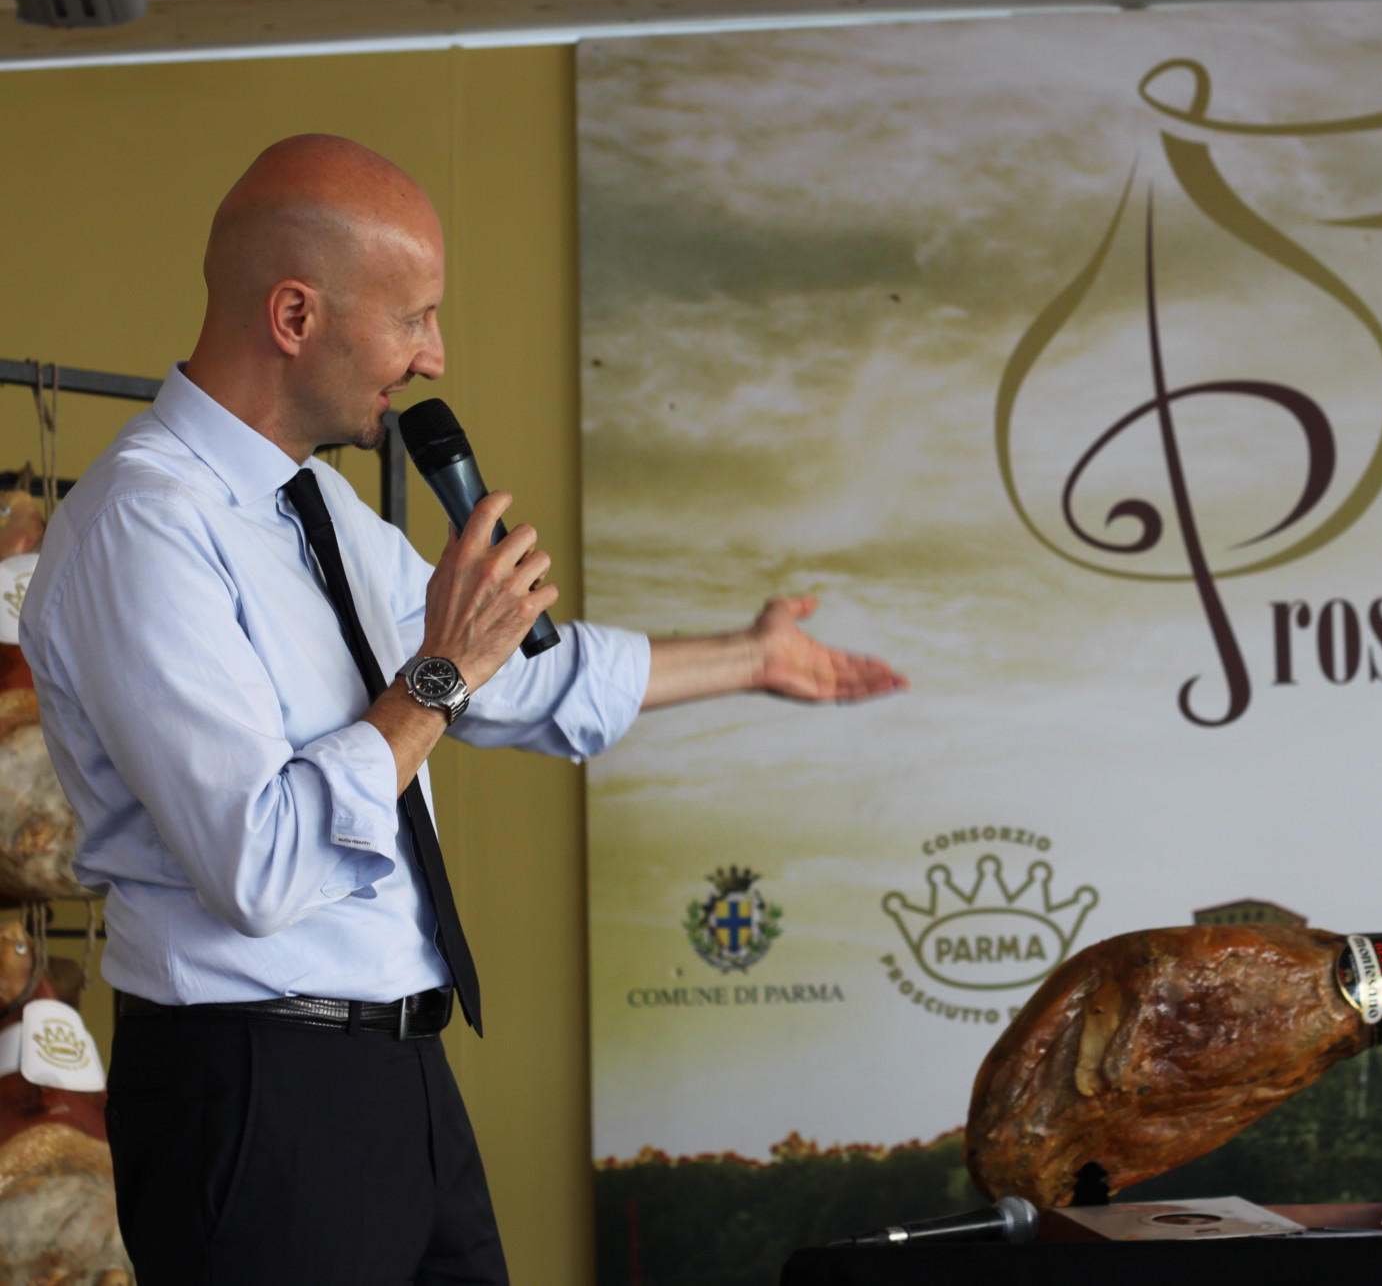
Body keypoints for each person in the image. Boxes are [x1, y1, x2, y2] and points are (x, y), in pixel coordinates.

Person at [17, 134, 907, 1285]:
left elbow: (515, 675)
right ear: (293, 315)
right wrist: (439, 670)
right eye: (414, 317)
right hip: (255, 1091)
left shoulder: (316, 506)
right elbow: (260, 864)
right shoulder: (142, 527)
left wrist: (749, 658)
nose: (434, 356)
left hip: (401, 1071)